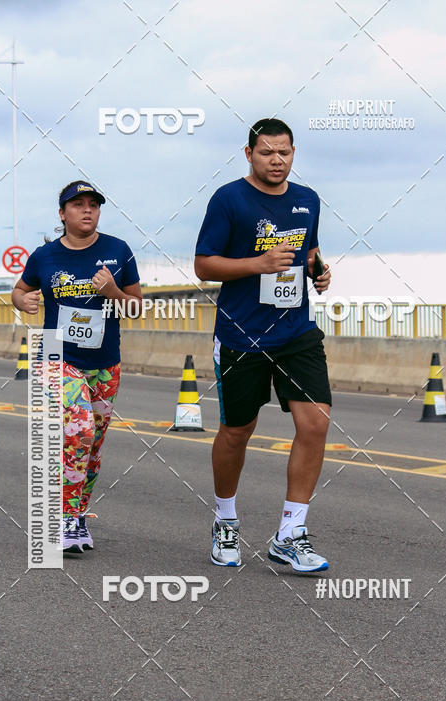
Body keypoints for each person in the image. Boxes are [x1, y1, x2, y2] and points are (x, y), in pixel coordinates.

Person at [195, 118, 332, 573]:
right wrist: (258, 263)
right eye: (267, 152)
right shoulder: (229, 199)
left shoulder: (307, 199)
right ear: (249, 154)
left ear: (294, 154)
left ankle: (290, 534)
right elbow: (203, 265)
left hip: (296, 331)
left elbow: (308, 253)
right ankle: (225, 521)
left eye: (284, 153)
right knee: (237, 432)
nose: (277, 160)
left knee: (315, 423)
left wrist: (318, 271)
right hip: (242, 334)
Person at [12, 181, 142, 553]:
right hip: (57, 355)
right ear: (62, 213)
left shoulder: (118, 251)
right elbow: (19, 290)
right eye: (78, 204)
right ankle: (66, 519)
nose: (87, 210)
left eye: (93, 205)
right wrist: (23, 301)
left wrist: (114, 293)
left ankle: (78, 515)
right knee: (80, 430)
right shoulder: (45, 256)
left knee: (93, 445)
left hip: (104, 361)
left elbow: (136, 307)